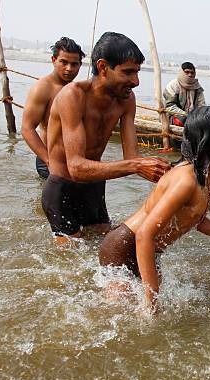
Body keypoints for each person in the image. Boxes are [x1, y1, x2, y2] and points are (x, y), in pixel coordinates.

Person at [99, 106, 210, 309]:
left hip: (148, 250)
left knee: (148, 310)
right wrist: (151, 301)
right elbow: (144, 234)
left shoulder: (205, 173)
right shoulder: (186, 180)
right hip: (123, 248)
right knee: (128, 317)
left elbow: (194, 218)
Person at [43, 32, 170, 244]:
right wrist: (136, 166)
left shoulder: (126, 99)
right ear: (103, 67)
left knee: (104, 245)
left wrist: (171, 174)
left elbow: (132, 157)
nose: (136, 81)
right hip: (62, 188)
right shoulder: (72, 96)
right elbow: (76, 167)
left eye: (137, 72)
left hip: (94, 186)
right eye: (128, 72)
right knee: (70, 261)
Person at [21, 37, 85, 179]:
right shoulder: (43, 88)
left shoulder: (77, 90)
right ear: (53, 60)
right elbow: (27, 129)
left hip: (73, 160)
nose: (69, 68)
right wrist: (48, 160)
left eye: (74, 64)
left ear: (80, 65)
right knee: (50, 200)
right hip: (49, 157)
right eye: (64, 62)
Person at [163, 61, 206, 127]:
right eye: (187, 72)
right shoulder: (173, 85)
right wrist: (185, 115)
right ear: (182, 72)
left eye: (192, 72)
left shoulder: (197, 87)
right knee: (183, 121)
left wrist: (197, 116)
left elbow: (202, 105)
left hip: (192, 117)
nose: (190, 75)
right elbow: (169, 106)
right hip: (173, 116)